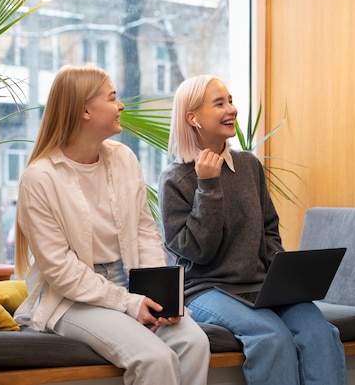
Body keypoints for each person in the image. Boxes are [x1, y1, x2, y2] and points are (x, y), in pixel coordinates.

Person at [14, 65, 210, 385]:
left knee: (194, 342)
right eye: (113, 97)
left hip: (130, 284)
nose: (121, 106)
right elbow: (61, 270)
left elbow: (145, 231)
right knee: (154, 358)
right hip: (72, 300)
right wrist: (130, 304)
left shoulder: (123, 158)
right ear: (85, 110)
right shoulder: (39, 178)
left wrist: (160, 295)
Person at [159, 75, 347, 385]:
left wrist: (281, 274)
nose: (231, 109)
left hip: (261, 285)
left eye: (230, 100)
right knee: (270, 336)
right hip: (205, 289)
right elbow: (198, 252)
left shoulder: (248, 166)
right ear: (193, 118)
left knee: (320, 333)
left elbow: (269, 229)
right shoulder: (175, 180)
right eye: (219, 103)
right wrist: (208, 185)